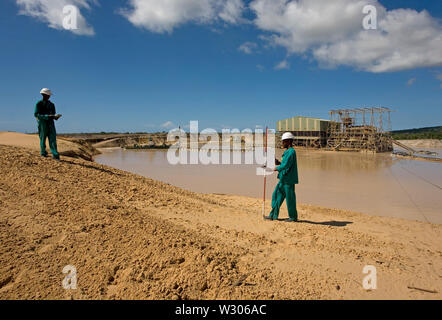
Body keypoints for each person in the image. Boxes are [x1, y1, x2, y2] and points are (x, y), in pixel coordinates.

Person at [265, 132, 299, 222]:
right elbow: (284, 164)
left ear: (288, 141)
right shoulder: (287, 152)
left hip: (289, 180)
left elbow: (286, 165)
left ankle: (293, 217)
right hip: (283, 179)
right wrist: (278, 162)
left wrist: (275, 168)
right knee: (276, 196)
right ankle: (273, 215)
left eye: (283, 141)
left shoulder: (291, 152)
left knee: (290, 199)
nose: (282, 143)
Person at [34, 88, 62, 160]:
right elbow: (36, 114)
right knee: (43, 138)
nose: (48, 96)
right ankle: (43, 152)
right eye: (46, 95)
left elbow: (53, 114)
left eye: (48, 95)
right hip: (42, 123)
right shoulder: (39, 104)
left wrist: (55, 117)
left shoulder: (52, 105)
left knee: (52, 138)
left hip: (50, 123)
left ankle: (55, 154)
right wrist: (47, 116)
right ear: (43, 95)